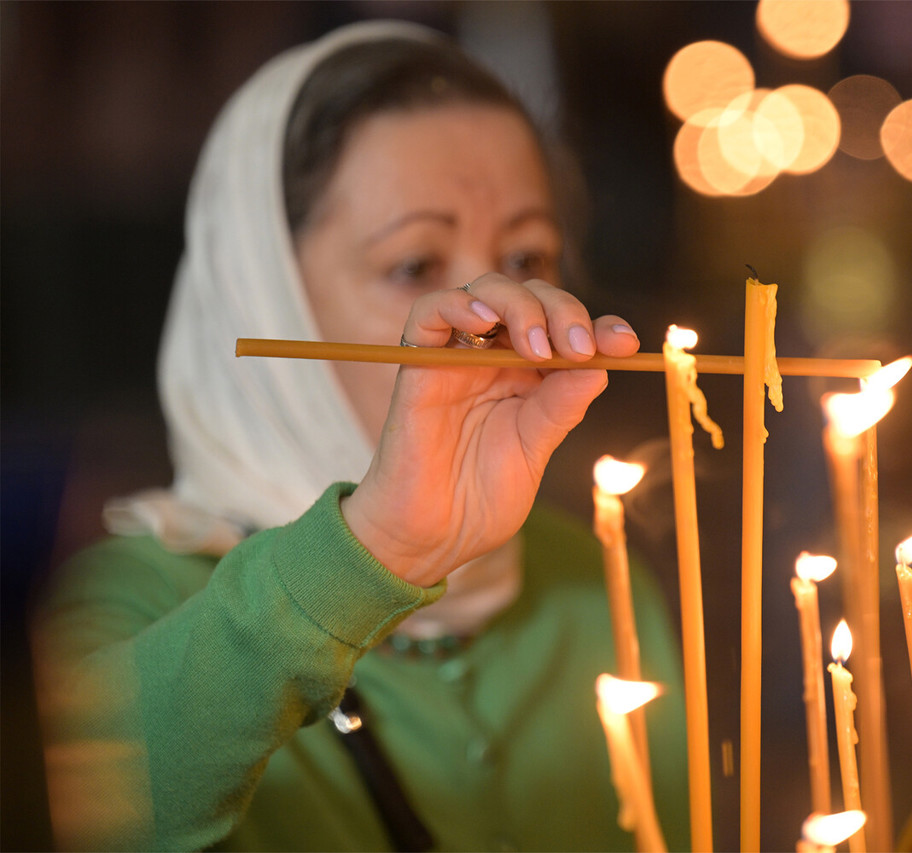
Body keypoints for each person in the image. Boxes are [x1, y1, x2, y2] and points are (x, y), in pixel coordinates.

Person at [33, 19, 689, 852]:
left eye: (528, 258)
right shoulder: (122, 598)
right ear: (266, 295)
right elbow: (83, 814)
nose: (491, 318)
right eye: (415, 265)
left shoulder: (591, 577)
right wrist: (383, 543)